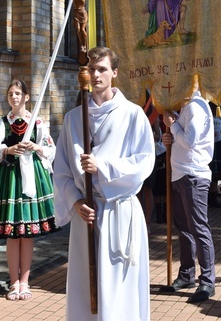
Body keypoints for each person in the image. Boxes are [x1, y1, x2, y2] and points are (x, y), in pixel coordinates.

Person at [53, 47, 155, 320]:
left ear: (114, 73)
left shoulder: (132, 115)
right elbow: (61, 170)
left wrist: (103, 168)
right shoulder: (74, 118)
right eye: (91, 69)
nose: (96, 74)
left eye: (102, 69)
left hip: (118, 212)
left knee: (119, 290)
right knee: (84, 291)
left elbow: (145, 162)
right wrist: (75, 201)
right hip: (85, 214)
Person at [0, 79, 57, 301]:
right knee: (13, 233)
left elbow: (50, 148)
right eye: (11, 93)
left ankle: (25, 282)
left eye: (19, 93)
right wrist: (7, 149)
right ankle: (13, 282)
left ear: (26, 97)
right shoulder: (0, 124)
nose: (15, 97)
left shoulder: (37, 123)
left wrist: (36, 147)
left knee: (27, 232)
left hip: (31, 177)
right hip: (9, 179)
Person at [162, 88, 218, 303]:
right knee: (184, 228)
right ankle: (187, 274)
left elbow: (190, 141)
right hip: (180, 174)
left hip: (193, 174)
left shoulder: (195, 106)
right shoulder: (185, 106)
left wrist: (173, 126)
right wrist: (170, 136)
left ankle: (207, 281)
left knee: (198, 228)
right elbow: (180, 139)